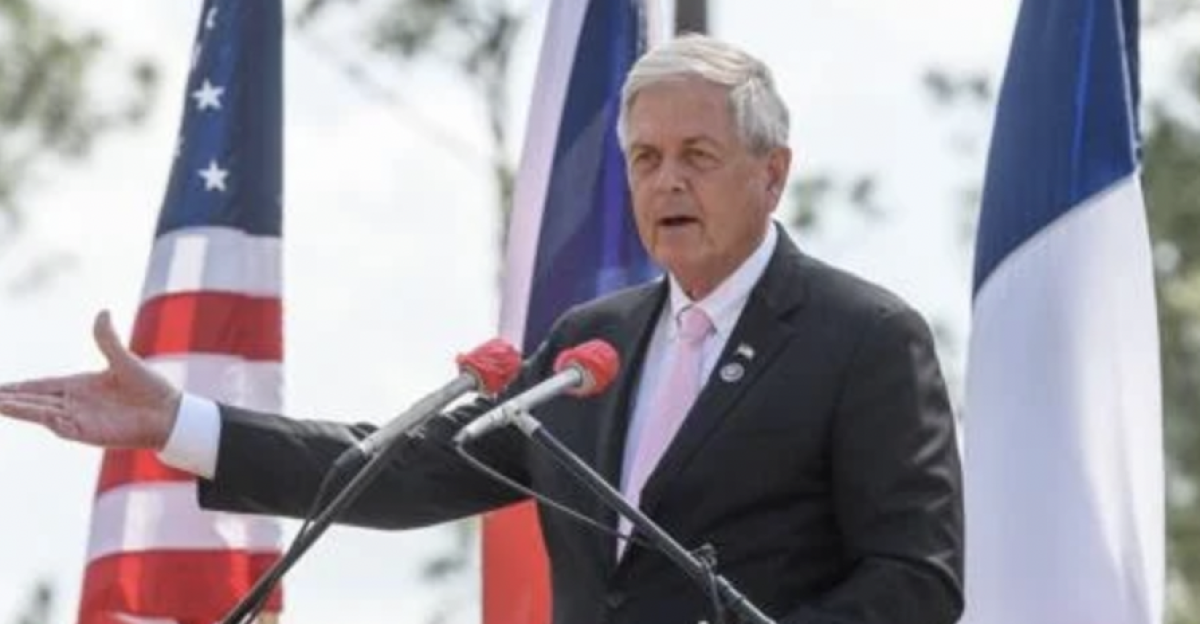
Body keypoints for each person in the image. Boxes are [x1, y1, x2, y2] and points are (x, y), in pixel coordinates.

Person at [0, 35, 963, 624]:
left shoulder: (862, 336)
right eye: (645, 157)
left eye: (698, 156)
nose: (666, 181)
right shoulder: (596, 345)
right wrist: (177, 421)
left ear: (772, 171)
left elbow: (916, 581)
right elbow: (399, 469)